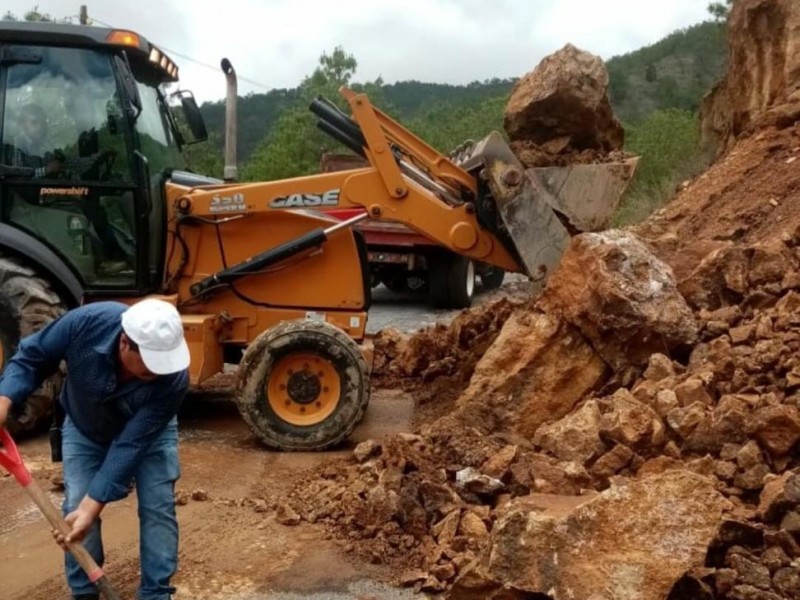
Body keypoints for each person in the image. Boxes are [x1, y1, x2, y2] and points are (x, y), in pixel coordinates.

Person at [0, 298, 190, 600]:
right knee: (76, 504)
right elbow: (31, 357)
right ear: (125, 343)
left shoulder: (174, 378)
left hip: (148, 435)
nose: (158, 372)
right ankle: (84, 593)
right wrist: (4, 399)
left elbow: (131, 444)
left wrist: (94, 504)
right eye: (150, 364)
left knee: (158, 506)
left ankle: (156, 593)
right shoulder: (86, 323)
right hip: (84, 424)